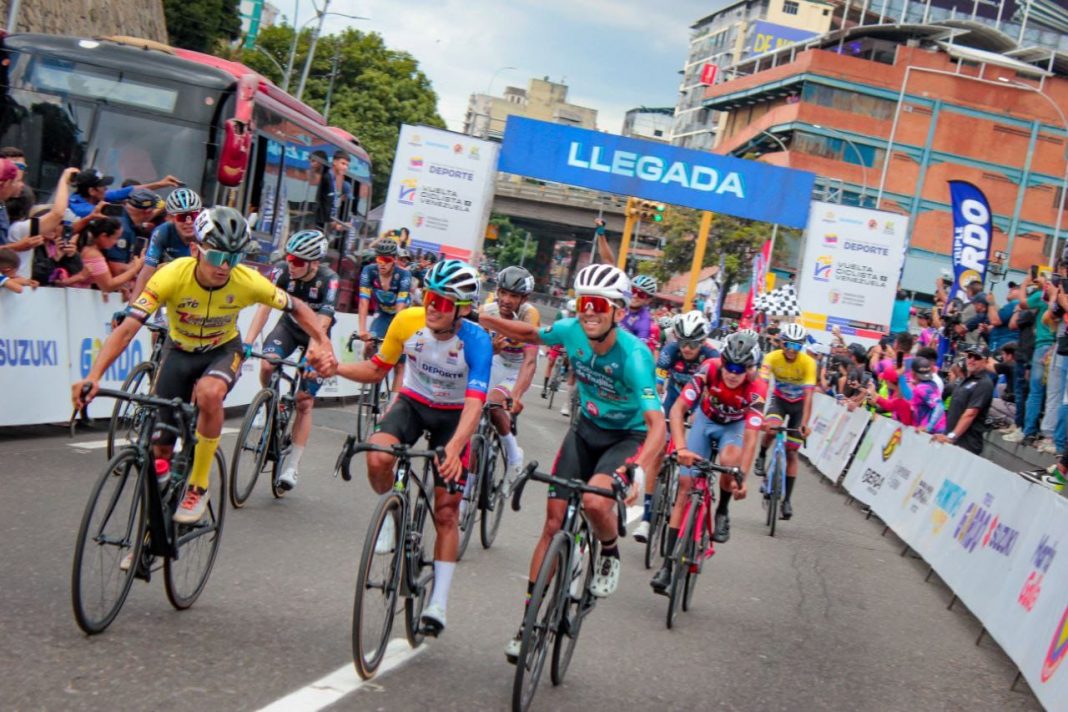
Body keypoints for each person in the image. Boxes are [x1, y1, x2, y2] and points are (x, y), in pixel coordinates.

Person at [73, 207, 337, 524]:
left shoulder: (247, 281)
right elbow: (127, 329)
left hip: (222, 350)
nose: (225, 266)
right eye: (216, 256)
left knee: (209, 393)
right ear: (196, 250)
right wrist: (94, 376)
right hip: (178, 351)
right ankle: (155, 524)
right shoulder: (171, 275)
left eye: (234, 258)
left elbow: (298, 307)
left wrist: (322, 341)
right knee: (160, 452)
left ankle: (198, 484)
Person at [481, 264, 665, 662]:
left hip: (626, 438)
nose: (589, 311)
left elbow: (658, 426)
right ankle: (528, 622)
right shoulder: (570, 331)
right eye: (584, 303)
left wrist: (638, 469)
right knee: (552, 524)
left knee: (596, 501)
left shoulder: (635, 357)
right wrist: (482, 317)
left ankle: (609, 552)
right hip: (585, 431)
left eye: (599, 303)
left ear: (618, 311)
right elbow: (530, 334)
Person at [336, 259, 490, 636]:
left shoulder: (476, 340)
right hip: (413, 403)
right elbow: (377, 369)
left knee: (447, 511)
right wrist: (335, 369)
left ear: (462, 309)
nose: (433, 306)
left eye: (443, 301)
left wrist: (455, 447)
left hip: (454, 417)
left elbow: (475, 405)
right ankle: (392, 514)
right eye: (429, 297)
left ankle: (438, 601)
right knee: (378, 456)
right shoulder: (407, 322)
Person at [650, 332, 765, 595]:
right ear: (722, 362)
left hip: (733, 428)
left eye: (740, 369)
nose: (733, 374)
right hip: (706, 420)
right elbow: (678, 410)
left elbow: (751, 438)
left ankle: (722, 509)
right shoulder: (709, 369)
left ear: (750, 369)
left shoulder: (757, 388)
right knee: (685, 485)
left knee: (729, 461)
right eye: (729, 366)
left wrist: (742, 477)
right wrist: (681, 448)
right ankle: (667, 566)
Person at [244, 230, 338, 490]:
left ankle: (292, 466)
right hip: (288, 328)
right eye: (289, 258)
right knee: (267, 363)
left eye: (298, 261)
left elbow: (322, 324)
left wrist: (311, 356)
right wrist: (248, 341)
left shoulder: (329, 280)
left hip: (316, 335)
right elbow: (264, 307)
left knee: (304, 402)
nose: (291, 264)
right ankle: (269, 403)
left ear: (314, 263)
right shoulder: (282, 271)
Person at [632, 311, 717, 543]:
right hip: (674, 399)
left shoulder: (711, 356)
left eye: (693, 344)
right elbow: (657, 384)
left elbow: (713, 392)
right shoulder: (670, 351)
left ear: (703, 341)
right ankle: (647, 519)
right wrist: (655, 407)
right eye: (683, 342)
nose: (687, 349)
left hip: (700, 402)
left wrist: (700, 414)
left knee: (694, 450)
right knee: (659, 450)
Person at [479, 266, 539, 486]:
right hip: (497, 360)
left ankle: (514, 457)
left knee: (494, 404)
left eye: (513, 296)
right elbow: (476, 351)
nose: (506, 300)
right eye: (503, 293)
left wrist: (516, 395)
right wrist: (491, 350)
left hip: (517, 367)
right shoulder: (487, 310)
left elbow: (530, 360)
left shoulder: (529, 315)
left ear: (524, 298)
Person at [754, 322, 816, 520]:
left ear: (801, 346)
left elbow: (809, 396)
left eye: (796, 346)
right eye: (788, 344)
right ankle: (762, 454)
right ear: (782, 343)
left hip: (799, 406)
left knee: (792, 452)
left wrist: (804, 423)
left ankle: (787, 500)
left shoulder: (808, 363)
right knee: (772, 429)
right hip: (779, 401)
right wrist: (759, 415)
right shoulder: (771, 357)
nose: (791, 349)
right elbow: (762, 386)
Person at [127, 188, 203, 303]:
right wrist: (131, 306)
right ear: (171, 218)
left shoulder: (206, 232)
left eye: (193, 215)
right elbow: (146, 273)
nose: (188, 222)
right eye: (182, 217)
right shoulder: (162, 232)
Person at [933, 344, 995, 455]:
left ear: (985, 361)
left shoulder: (984, 383)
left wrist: (952, 437)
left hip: (966, 444)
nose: (971, 360)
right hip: (953, 440)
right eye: (969, 356)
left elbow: (971, 413)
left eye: (977, 357)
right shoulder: (965, 380)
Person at [357, 238, 411, 354]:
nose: (382, 264)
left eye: (387, 260)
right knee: (369, 345)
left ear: (394, 260)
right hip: (383, 314)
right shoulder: (369, 271)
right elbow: (363, 301)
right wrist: (362, 329)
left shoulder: (404, 275)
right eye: (379, 259)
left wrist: (396, 333)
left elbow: (400, 306)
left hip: (402, 317)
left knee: (398, 356)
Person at [67, 217, 144, 294]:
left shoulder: (89, 250)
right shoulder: (93, 255)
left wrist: (119, 286)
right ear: (103, 236)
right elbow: (108, 286)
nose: (116, 242)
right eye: (115, 238)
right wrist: (135, 269)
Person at [67, 169, 181, 219]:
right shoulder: (79, 208)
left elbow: (129, 191)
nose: (106, 188)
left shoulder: (97, 195)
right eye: (103, 186)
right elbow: (128, 215)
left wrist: (161, 184)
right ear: (92, 191)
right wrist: (162, 207)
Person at [101, 188, 160, 275]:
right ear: (148, 212)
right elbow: (117, 270)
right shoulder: (122, 230)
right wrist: (144, 265)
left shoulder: (119, 212)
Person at [622, 274, 657, 352]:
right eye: (633, 290)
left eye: (641, 294)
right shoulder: (620, 302)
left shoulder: (644, 321)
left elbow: (638, 350)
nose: (635, 296)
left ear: (648, 300)